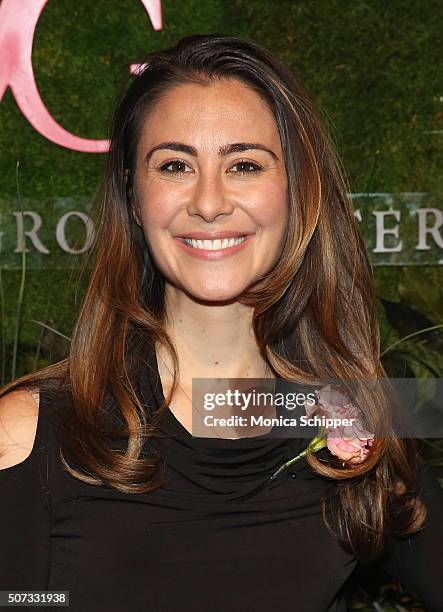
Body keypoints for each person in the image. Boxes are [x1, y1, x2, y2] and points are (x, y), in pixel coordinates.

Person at [0, 33, 442, 612]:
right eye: (176, 165)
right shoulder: (31, 433)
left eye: (245, 164)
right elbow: (21, 599)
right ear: (134, 197)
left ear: (296, 193)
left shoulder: (359, 421)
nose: (209, 201)